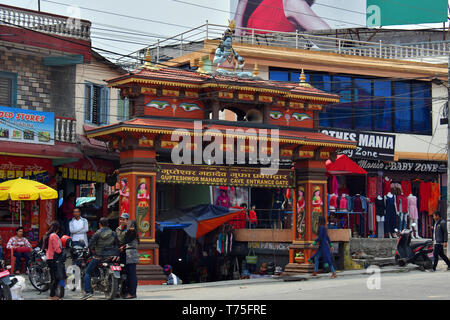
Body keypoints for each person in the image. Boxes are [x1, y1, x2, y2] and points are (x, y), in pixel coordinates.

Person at [233, 0, 330, 36]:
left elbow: (331, 37)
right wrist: (242, 2)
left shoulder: (292, 3)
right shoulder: (252, 4)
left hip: (275, 73)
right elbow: (235, 41)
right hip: (251, 71)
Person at [82, 217, 119, 300]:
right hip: (112, 256)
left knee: (87, 272)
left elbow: (90, 245)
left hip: (100, 256)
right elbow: (117, 244)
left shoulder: (97, 233)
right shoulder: (113, 233)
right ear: (108, 225)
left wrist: (90, 249)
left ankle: (88, 292)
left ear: (99, 224)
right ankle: (118, 290)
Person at [43, 221, 65, 300]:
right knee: (56, 278)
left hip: (49, 258)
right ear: (58, 229)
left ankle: (53, 295)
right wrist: (61, 250)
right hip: (54, 258)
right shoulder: (54, 236)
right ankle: (52, 295)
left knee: (53, 277)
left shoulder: (48, 235)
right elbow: (57, 249)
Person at [121, 220, 139, 299]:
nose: (128, 227)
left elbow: (126, 240)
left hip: (131, 254)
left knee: (132, 274)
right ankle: (129, 291)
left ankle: (132, 293)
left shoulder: (132, 232)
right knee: (129, 274)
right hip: (130, 253)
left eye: (129, 225)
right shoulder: (132, 233)